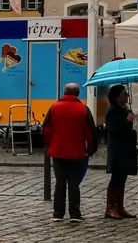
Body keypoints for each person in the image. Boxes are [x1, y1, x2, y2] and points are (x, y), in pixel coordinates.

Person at [43, 82, 98, 222]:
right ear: (78, 93)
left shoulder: (54, 108)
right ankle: (74, 213)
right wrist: (91, 150)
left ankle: (57, 213)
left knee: (60, 183)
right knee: (74, 183)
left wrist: (51, 145)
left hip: (58, 151)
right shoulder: (83, 109)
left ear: (64, 92)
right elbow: (91, 133)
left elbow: (46, 130)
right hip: (76, 152)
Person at [103, 84, 138, 220]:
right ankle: (110, 207)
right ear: (117, 97)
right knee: (116, 178)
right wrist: (126, 121)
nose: (127, 96)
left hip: (125, 148)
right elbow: (113, 129)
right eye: (124, 94)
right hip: (117, 149)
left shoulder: (123, 109)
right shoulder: (112, 110)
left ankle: (119, 206)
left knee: (122, 178)